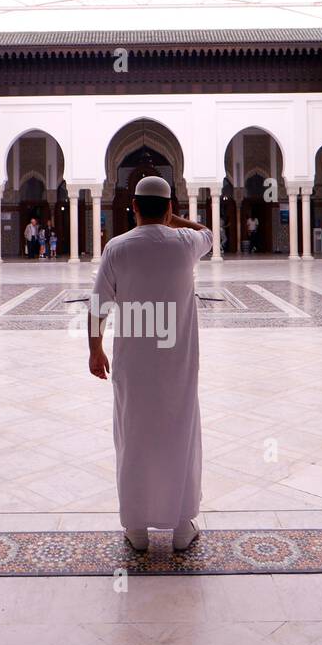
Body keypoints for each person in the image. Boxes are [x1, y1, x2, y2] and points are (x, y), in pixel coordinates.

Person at [89, 175, 211, 553]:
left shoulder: (117, 248)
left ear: (134, 208)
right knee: (180, 435)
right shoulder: (186, 243)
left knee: (134, 437)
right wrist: (177, 222)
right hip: (178, 364)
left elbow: (98, 305)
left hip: (132, 365)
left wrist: (95, 349)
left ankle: (136, 528)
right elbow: (207, 232)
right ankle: (180, 527)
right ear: (170, 208)